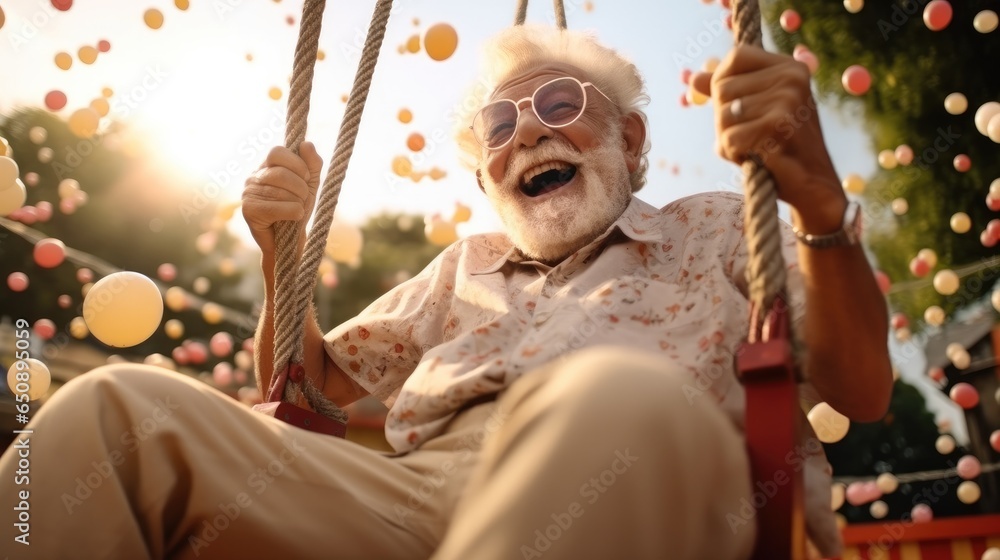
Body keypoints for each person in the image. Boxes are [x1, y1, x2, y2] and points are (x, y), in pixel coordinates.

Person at [0, 24, 891, 559]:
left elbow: (861, 388)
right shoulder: (461, 269)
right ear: (487, 175)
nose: (526, 135)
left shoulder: (715, 224)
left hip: (655, 482)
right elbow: (303, 391)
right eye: (500, 126)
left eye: (558, 104)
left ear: (630, 134)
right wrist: (282, 262)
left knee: (613, 397)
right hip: (420, 497)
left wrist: (815, 199)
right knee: (116, 411)